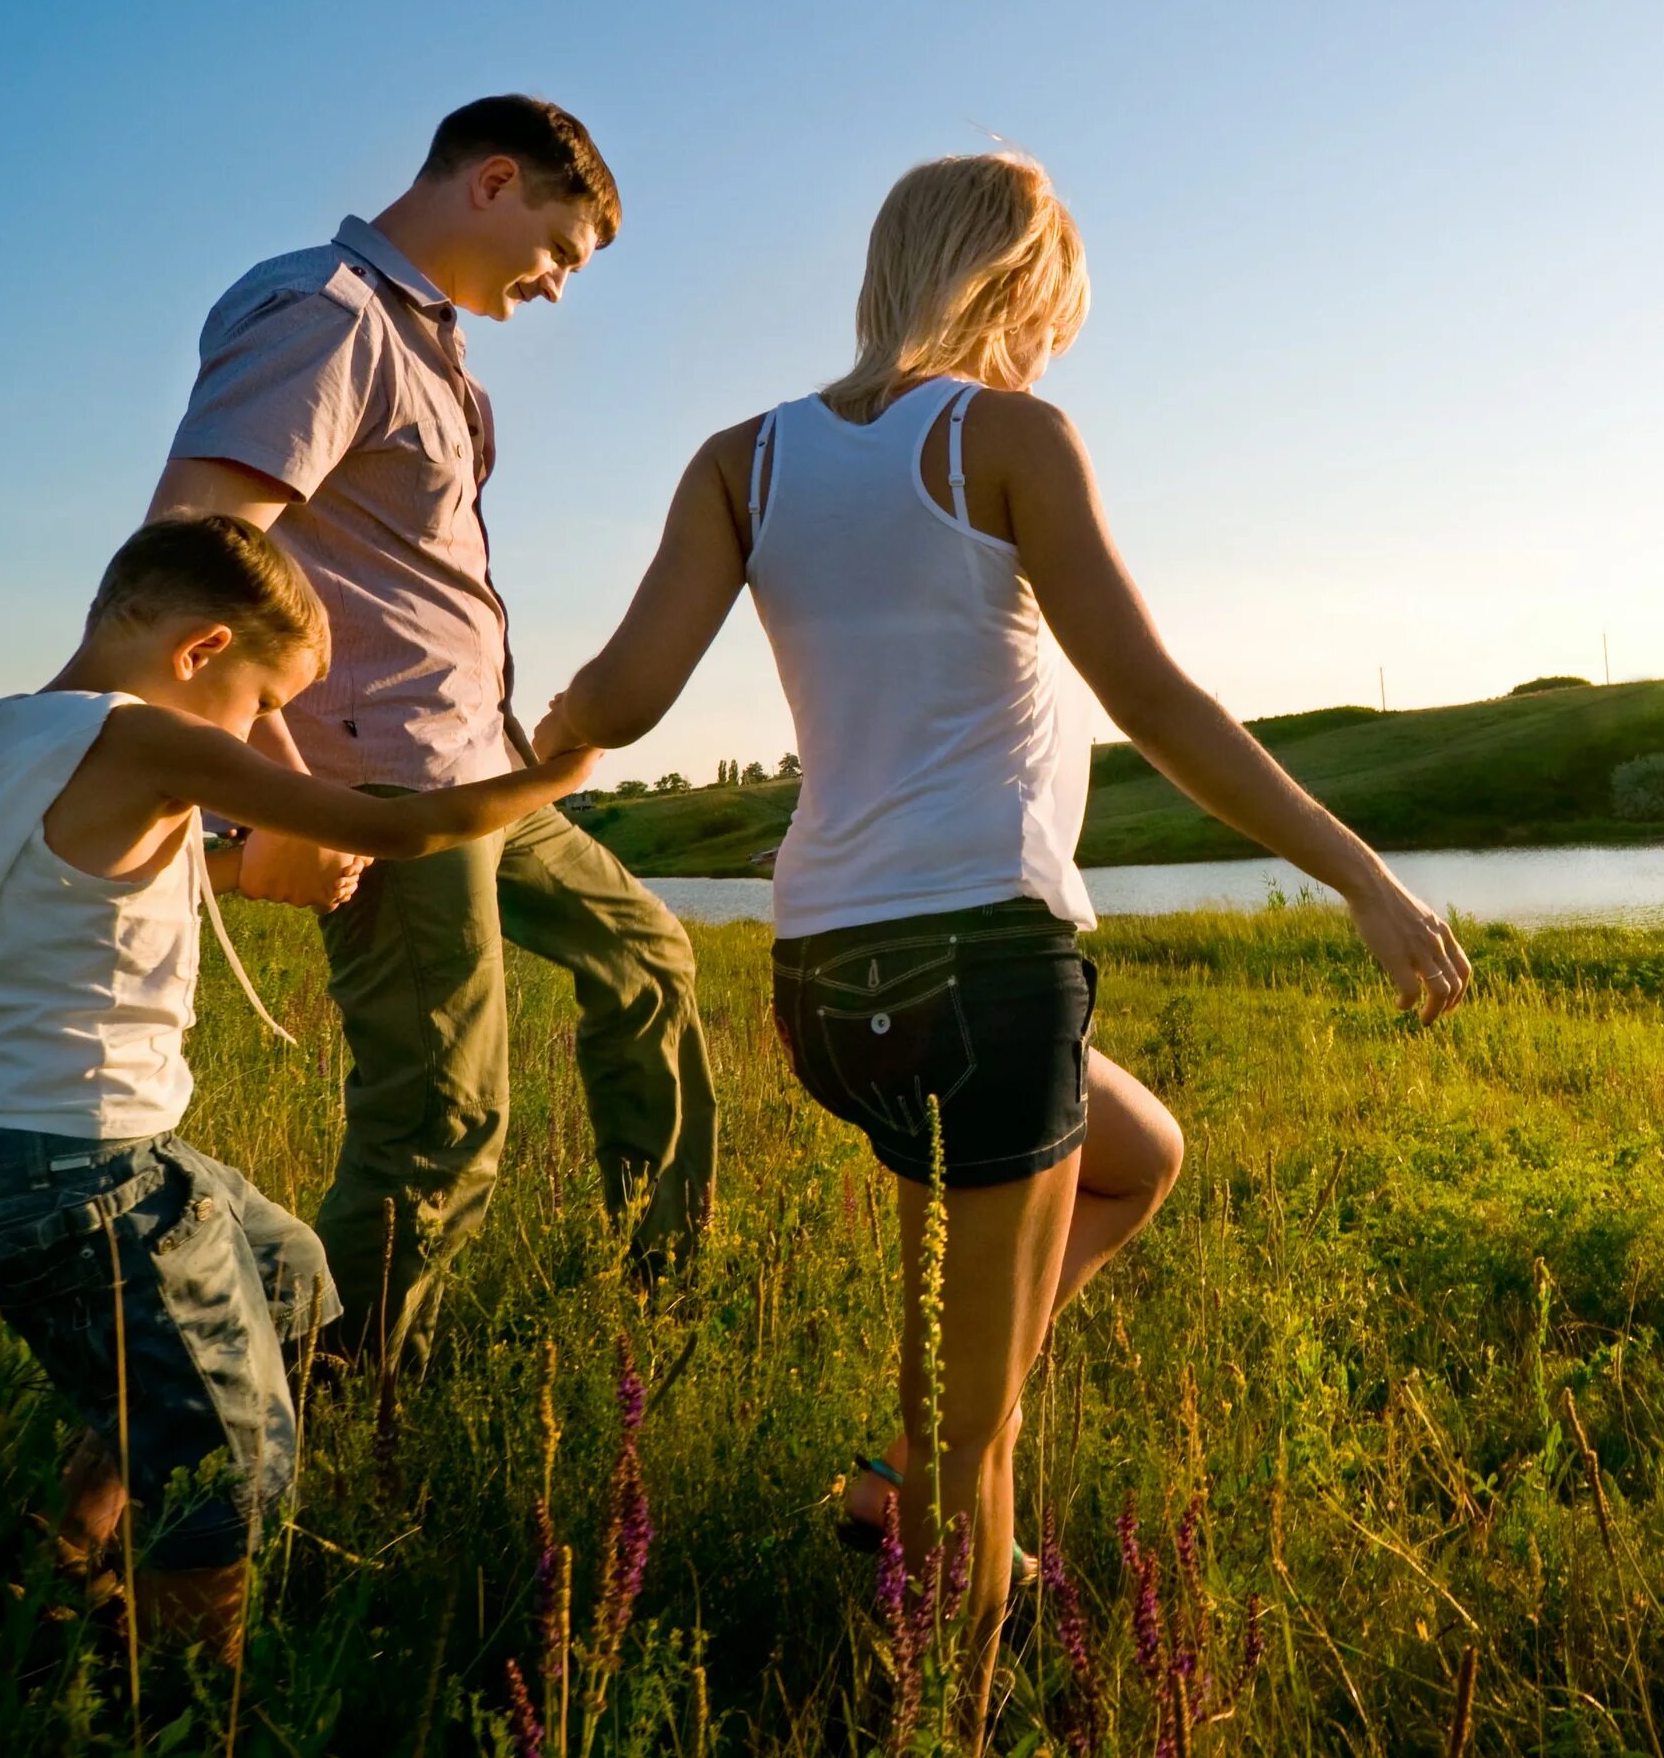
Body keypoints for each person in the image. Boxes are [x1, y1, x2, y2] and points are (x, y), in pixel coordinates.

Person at [535, 151, 1473, 1692]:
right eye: (1057, 313)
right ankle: (945, 1697)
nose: (1055, 347)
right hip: (984, 969)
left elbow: (623, 701)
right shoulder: (1011, 436)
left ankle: (901, 1474)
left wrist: (515, 749)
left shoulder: (737, 459)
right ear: (1018, 286)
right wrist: (1365, 877)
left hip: (825, 979)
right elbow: (1158, 702)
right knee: (991, 1441)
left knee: (1141, 1156)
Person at [0, 517, 596, 1647]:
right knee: (235, 1455)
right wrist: (564, 764)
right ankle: (172, 1688)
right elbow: (404, 827)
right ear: (202, 650)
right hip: (88, 1172)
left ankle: (47, 1570)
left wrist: (235, 871)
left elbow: (72, 874)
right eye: (267, 701)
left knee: (289, 1270)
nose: (270, 733)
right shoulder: (152, 739)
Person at [148, 97, 714, 1366]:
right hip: (382, 791)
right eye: (562, 250)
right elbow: (191, 550)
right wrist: (278, 795)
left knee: (652, 960)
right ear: (494, 181)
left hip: (479, 769)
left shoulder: (430, 347)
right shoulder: (328, 314)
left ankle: (664, 1288)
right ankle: (308, 1410)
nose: (561, 286)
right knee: (441, 1129)